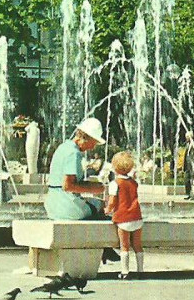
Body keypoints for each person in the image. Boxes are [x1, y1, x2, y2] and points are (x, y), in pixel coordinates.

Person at [44, 117, 109, 221]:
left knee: (92, 202)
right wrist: (95, 188)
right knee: (100, 205)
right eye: (94, 142)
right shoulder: (73, 153)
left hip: (53, 204)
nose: (92, 147)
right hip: (67, 207)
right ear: (85, 137)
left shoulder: (63, 147)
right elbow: (68, 186)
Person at [105, 151, 144, 280]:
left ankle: (125, 271)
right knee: (138, 245)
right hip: (136, 217)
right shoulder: (133, 182)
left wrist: (107, 210)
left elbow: (112, 202)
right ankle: (140, 271)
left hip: (123, 219)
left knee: (125, 246)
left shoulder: (114, 184)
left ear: (114, 167)